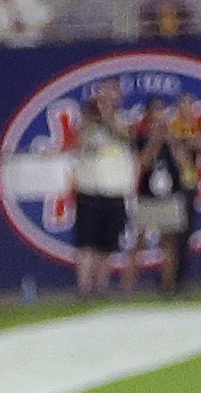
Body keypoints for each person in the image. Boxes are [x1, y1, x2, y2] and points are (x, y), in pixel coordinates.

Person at [68, 84, 135, 295]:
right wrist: (93, 117)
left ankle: (102, 287)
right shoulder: (86, 126)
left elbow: (127, 139)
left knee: (107, 246)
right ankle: (84, 287)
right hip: (89, 191)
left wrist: (108, 119)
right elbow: (79, 144)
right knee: (87, 244)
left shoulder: (123, 123)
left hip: (114, 192)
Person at [132, 98, 198, 296]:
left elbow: (186, 167)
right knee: (140, 241)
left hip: (170, 195)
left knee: (170, 243)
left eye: (162, 111)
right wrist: (154, 142)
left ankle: (168, 285)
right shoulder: (141, 137)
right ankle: (129, 286)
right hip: (148, 196)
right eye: (156, 112)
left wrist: (173, 143)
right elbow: (141, 164)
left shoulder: (175, 136)